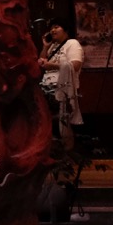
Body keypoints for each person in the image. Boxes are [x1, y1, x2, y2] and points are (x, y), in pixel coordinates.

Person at [40, 19, 84, 150]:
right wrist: (45, 47)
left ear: (66, 29)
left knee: (63, 122)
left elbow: (75, 65)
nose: (52, 30)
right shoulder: (52, 46)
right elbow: (42, 61)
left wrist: (52, 65)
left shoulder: (72, 43)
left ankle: (68, 151)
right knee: (48, 121)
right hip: (47, 88)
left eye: (56, 27)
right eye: (51, 28)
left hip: (64, 89)